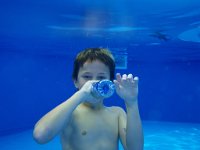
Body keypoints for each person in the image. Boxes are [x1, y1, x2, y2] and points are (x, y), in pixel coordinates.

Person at [33, 48, 144, 150]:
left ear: (110, 82)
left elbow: (135, 149)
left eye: (101, 77)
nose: (94, 82)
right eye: (87, 77)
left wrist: (131, 103)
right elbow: (40, 136)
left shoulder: (117, 113)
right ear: (75, 81)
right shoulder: (69, 113)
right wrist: (81, 94)